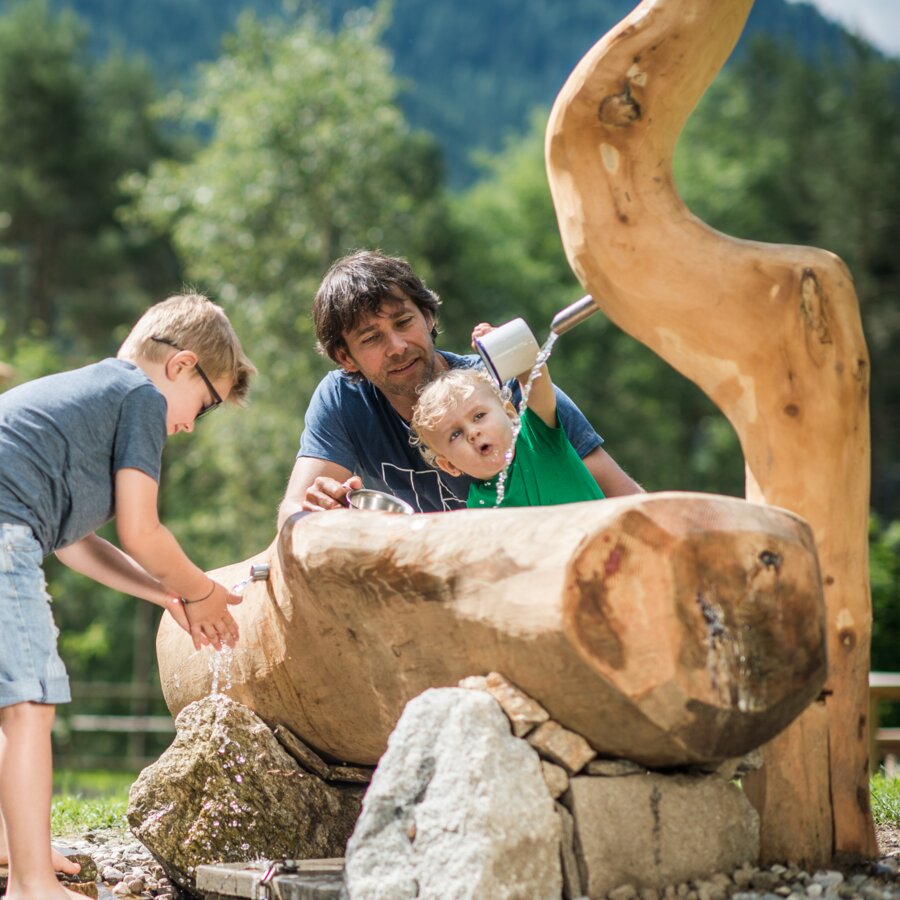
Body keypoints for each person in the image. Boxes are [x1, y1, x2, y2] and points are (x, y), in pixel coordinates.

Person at [0, 293, 255, 900]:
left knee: (7, 697)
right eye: (207, 404)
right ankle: (34, 885)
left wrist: (167, 594)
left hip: (16, 525)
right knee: (28, 702)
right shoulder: (139, 397)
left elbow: (75, 546)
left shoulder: (90, 401)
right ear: (180, 366)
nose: (192, 423)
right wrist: (202, 591)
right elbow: (143, 530)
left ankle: (12, 847)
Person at [278, 250, 640, 523]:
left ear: (428, 316)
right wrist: (317, 507)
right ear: (346, 358)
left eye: (404, 322)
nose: (398, 346)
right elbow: (293, 516)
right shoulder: (343, 400)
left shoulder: (496, 383)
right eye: (372, 338)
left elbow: (622, 495)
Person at [409, 323, 605, 508]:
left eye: (479, 416)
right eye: (455, 434)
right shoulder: (478, 510)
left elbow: (533, 374)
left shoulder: (538, 441)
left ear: (510, 414)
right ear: (449, 465)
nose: (473, 433)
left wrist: (503, 343)